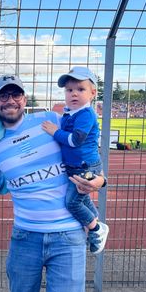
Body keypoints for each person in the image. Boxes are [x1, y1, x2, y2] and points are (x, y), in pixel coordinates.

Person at [0, 74, 106, 292]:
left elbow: (87, 152)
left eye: (16, 95)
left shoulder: (50, 120)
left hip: (68, 237)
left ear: (24, 100)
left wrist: (101, 181)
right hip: (25, 238)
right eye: (4, 96)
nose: (10, 100)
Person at [41, 66, 109, 254]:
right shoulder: (70, 113)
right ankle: (95, 222)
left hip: (85, 167)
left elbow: (75, 140)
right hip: (74, 166)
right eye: (69, 90)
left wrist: (55, 132)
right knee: (82, 197)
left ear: (93, 93)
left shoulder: (86, 114)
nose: (74, 94)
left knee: (72, 202)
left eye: (80, 89)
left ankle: (96, 229)